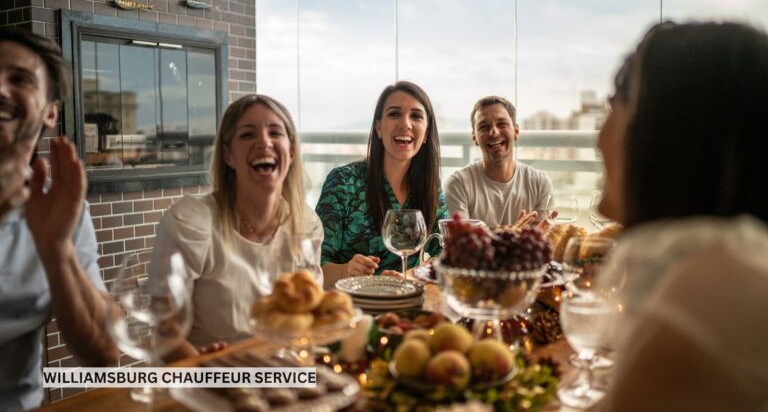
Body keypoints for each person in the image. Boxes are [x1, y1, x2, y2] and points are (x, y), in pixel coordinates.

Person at [596, 22, 768, 411]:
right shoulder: (731, 265)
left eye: (614, 109)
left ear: (666, 134)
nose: (600, 136)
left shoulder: (712, 291)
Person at [0, 28, 119, 411]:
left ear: (51, 110)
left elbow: (103, 355)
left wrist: (57, 249)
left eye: (18, 79)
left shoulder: (60, 209)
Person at [153, 94, 324, 359]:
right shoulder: (189, 223)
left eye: (275, 133)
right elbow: (166, 330)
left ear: (290, 151)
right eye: (247, 135)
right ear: (228, 155)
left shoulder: (306, 226)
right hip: (203, 383)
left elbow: (309, 319)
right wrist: (207, 369)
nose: (264, 142)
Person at [316, 81, 448, 286]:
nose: (405, 124)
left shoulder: (430, 187)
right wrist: (346, 270)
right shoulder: (343, 182)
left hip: (407, 305)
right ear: (378, 127)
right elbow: (315, 268)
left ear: (426, 133)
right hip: (354, 310)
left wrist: (409, 275)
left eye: (416, 115)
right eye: (394, 114)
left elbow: (445, 254)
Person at [444, 95, 554, 227]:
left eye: (502, 124)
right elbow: (461, 241)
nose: (494, 132)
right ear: (474, 137)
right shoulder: (458, 184)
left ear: (516, 131)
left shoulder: (540, 183)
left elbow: (541, 240)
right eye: (484, 127)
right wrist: (512, 233)